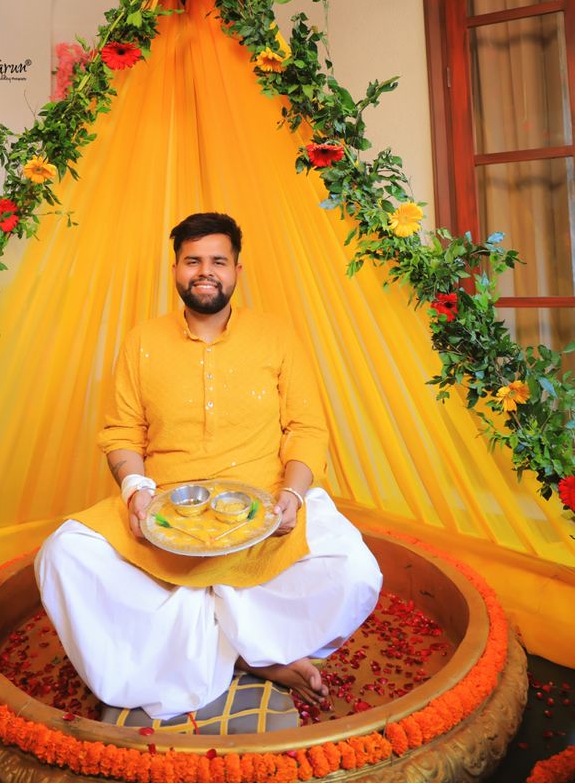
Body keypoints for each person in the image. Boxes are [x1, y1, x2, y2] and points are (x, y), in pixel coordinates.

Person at [35, 212, 381, 720]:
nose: (206, 271)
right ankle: (245, 653)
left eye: (218, 261)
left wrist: (293, 494)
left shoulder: (276, 336)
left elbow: (306, 429)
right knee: (62, 555)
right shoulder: (142, 341)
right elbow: (122, 433)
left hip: (263, 502)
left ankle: (247, 647)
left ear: (238, 269)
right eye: (193, 260)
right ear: (174, 269)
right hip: (168, 508)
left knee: (355, 572)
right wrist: (135, 491)